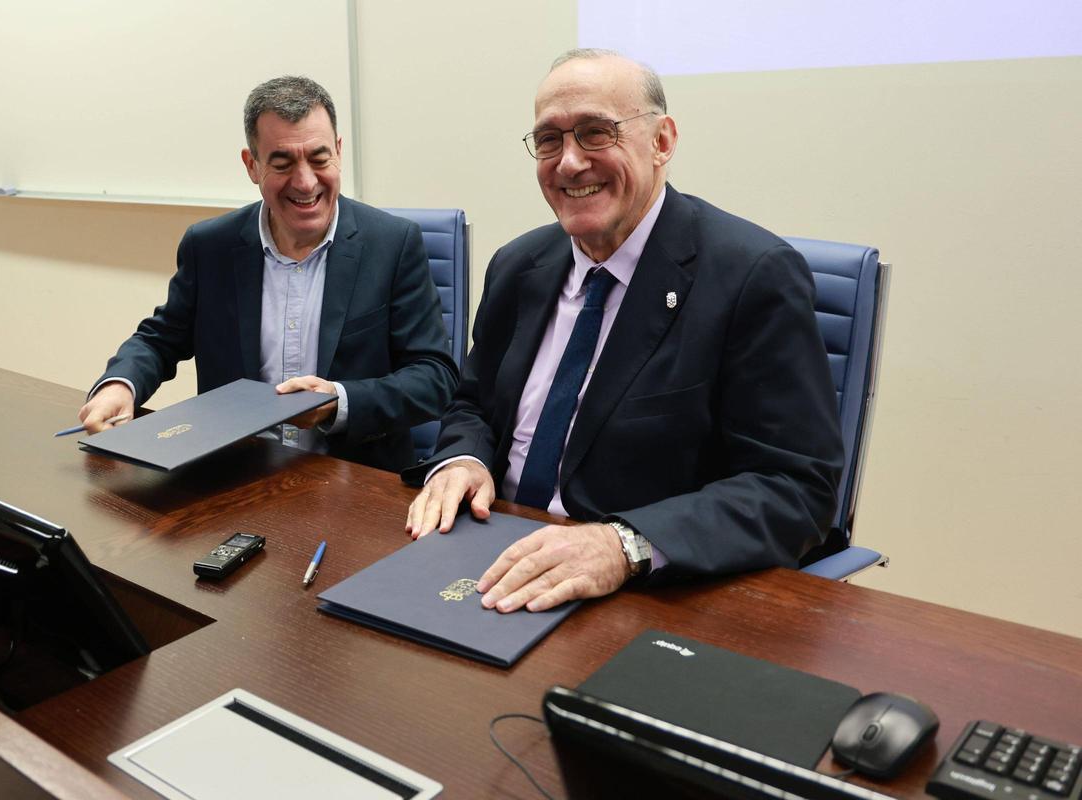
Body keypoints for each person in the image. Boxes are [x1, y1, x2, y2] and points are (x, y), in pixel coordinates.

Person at [403, 50, 843, 612]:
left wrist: (623, 545)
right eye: (548, 140)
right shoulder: (518, 265)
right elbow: (473, 404)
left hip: (640, 593)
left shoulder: (752, 276)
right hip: (486, 557)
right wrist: (462, 460)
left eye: (594, 133)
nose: (568, 163)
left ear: (662, 141)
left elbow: (794, 489)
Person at [79, 76, 457, 472]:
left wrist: (337, 402)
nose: (305, 181)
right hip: (236, 474)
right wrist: (119, 385)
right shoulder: (210, 247)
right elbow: (159, 340)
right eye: (282, 163)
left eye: (319, 158)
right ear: (252, 165)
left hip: (352, 478)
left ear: (340, 152)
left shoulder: (393, 244)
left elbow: (434, 379)